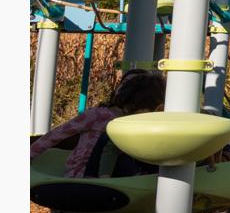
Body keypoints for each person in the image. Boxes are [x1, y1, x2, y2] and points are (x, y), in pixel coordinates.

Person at [30, 69, 166, 178]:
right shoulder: (97, 116)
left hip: (115, 172)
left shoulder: (137, 119)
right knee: (111, 139)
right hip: (84, 171)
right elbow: (57, 134)